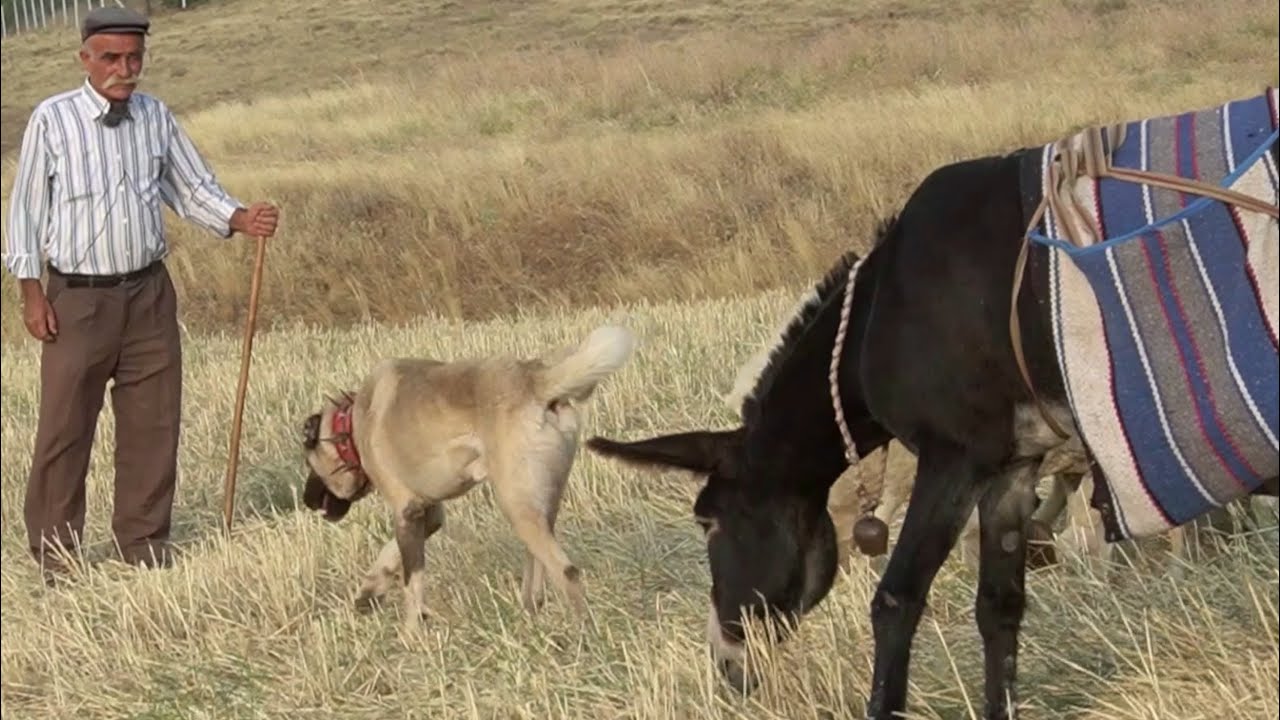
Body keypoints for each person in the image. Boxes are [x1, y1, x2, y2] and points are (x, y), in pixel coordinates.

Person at [2, 7, 280, 583]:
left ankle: (145, 547)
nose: (123, 70)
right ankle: (57, 557)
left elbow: (191, 186)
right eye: (110, 58)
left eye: (133, 58)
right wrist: (32, 295)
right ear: (86, 60)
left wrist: (238, 217)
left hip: (149, 294)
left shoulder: (155, 116)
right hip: (76, 299)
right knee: (64, 428)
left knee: (153, 425)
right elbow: (26, 213)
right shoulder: (52, 121)